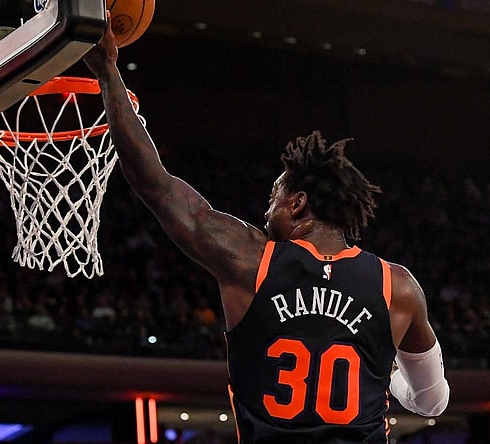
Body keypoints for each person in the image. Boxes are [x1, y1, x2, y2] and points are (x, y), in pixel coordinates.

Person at [83, 14, 449, 443]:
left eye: (273, 198)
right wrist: (387, 374)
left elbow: (156, 185)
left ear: (298, 203)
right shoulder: (398, 287)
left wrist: (108, 70)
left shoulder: (250, 260)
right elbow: (432, 402)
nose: (266, 214)